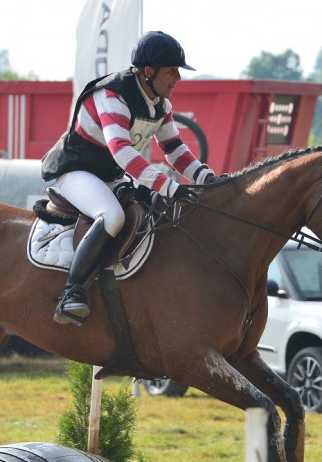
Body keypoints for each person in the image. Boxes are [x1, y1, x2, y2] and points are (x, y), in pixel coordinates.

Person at [42, 30, 218, 326]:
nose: (177, 78)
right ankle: (71, 293)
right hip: (74, 171)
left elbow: (174, 149)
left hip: (108, 176)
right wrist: (170, 187)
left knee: (155, 214)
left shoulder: (160, 104)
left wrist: (207, 178)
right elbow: (122, 152)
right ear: (148, 72)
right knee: (112, 216)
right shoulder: (111, 95)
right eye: (171, 71)